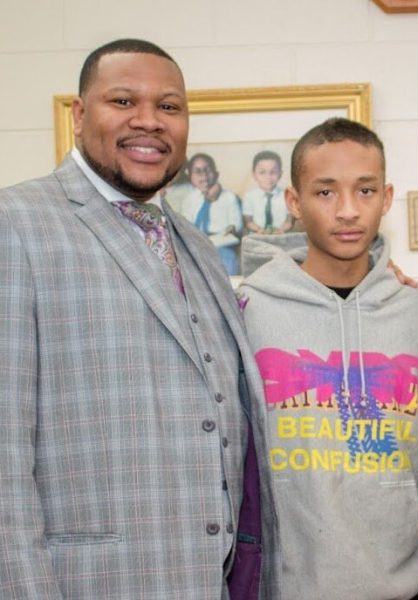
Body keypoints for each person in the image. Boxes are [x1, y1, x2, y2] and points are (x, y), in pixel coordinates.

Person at [0, 39, 279, 599]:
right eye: (123, 101)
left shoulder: (196, 245)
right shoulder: (16, 223)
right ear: (80, 115)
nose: (149, 122)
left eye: (169, 107)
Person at [234, 117, 418, 600]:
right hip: (287, 588)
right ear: (294, 202)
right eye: (326, 192)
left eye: (365, 190)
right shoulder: (249, 311)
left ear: (387, 197)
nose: (348, 210)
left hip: (400, 588)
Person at [180, 152, 244, 275]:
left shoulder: (228, 197)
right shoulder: (189, 199)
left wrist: (232, 227)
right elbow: (186, 222)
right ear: (190, 177)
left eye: (207, 170)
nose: (203, 175)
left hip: (221, 241)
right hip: (197, 241)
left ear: (216, 173)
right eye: (198, 171)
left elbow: (236, 222)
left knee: (228, 259)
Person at [242, 150, 293, 235]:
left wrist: (280, 230)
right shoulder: (249, 196)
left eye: (273, 172)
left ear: (280, 173)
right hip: (257, 236)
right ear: (254, 174)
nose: (268, 177)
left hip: (280, 235)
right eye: (262, 172)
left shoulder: (287, 195)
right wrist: (259, 230)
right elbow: (248, 222)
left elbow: (289, 221)